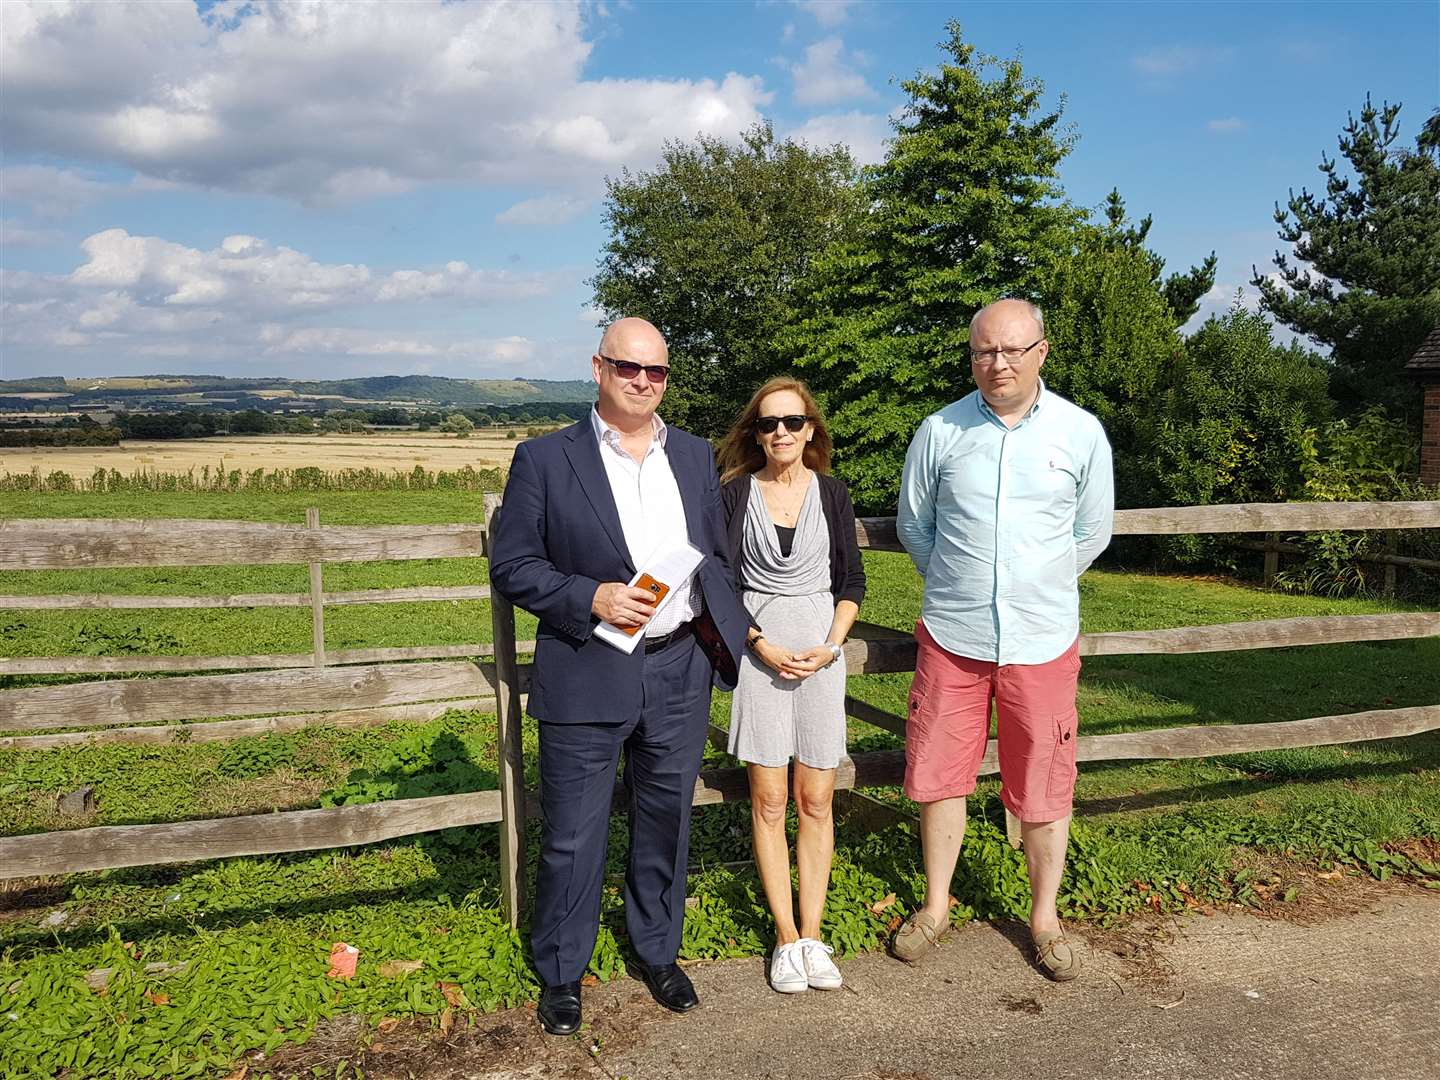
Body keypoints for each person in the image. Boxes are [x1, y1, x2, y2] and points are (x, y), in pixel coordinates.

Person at [488, 317, 748, 1035]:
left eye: (657, 371)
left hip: (678, 670)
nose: (643, 381)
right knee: (574, 832)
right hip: (587, 665)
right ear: (598, 367)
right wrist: (589, 596)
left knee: (666, 821)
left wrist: (721, 631)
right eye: (629, 367)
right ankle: (562, 971)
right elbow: (512, 565)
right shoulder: (544, 459)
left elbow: (716, 556)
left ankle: (657, 950)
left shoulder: (695, 457)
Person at [892, 298, 1113, 981]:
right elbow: (915, 527)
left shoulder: (1080, 433)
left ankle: (1044, 920)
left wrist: (1033, 584)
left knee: (1045, 785)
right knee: (939, 779)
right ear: (972, 356)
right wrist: (962, 582)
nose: (998, 363)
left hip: (1042, 642)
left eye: (1013, 350)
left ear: (1041, 352)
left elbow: (1091, 532)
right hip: (954, 636)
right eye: (985, 351)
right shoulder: (940, 431)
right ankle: (935, 907)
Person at [715, 377, 866, 994]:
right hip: (761, 655)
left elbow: (851, 581)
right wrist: (758, 642)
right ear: (755, 431)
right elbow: (719, 583)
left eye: (793, 422)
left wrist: (831, 647)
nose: (781, 432)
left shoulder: (832, 494)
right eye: (768, 422)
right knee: (770, 801)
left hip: (820, 659)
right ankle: (784, 938)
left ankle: (814, 935)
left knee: (817, 801)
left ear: (811, 430)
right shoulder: (733, 495)